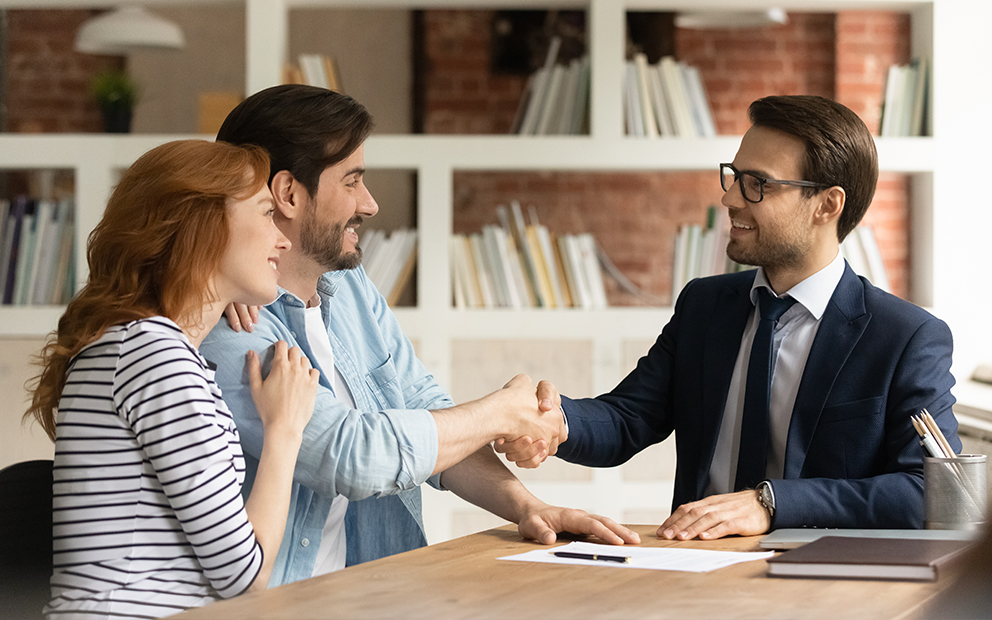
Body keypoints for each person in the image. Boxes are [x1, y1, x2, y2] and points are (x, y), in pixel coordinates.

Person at [200, 84, 638, 586]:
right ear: (289, 194)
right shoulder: (228, 321)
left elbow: (424, 411)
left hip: (381, 591)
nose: (369, 204)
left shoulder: (350, 287)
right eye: (352, 181)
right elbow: (351, 456)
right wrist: (500, 411)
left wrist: (527, 507)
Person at [516, 95, 961, 539]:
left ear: (827, 205)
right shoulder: (704, 306)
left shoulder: (906, 337)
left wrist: (772, 503)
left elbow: (930, 490)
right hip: (691, 565)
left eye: (757, 184)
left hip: (822, 585)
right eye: (733, 176)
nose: (730, 197)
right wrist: (558, 422)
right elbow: (630, 416)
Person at [25, 140, 320, 619]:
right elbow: (244, 575)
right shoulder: (153, 354)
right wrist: (286, 428)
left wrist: (220, 288)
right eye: (267, 214)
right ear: (203, 225)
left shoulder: (144, 346)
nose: (283, 239)